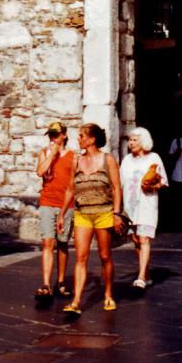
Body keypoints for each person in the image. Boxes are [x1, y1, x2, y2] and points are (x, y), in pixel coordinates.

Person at [57, 123, 123, 316]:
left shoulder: (108, 159)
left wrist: (117, 214)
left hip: (104, 212)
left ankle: (109, 294)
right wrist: (62, 214)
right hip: (82, 213)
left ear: (92, 139)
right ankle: (76, 301)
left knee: (105, 256)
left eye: (81, 136)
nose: (78, 139)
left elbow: (117, 188)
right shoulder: (76, 160)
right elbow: (70, 189)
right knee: (81, 258)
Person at [120, 127, 168, 288]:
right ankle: (146, 273)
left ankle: (140, 277)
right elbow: (120, 183)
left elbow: (163, 182)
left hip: (147, 204)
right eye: (130, 140)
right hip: (130, 205)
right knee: (135, 239)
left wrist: (153, 186)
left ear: (143, 142)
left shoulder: (154, 158)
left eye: (134, 140)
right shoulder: (126, 160)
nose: (131, 143)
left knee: (144, 238)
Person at [35, 121, 75, 300]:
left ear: (64, 135)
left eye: (56, 135)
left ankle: (60, 282)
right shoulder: (44, 153)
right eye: (51, 135)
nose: (53, 138)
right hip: (47, 201)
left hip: (65, 204)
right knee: (48, 243)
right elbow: (40, 172)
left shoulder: (74, 156)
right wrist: (52, 154)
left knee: (63, 242)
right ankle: (45, 284)